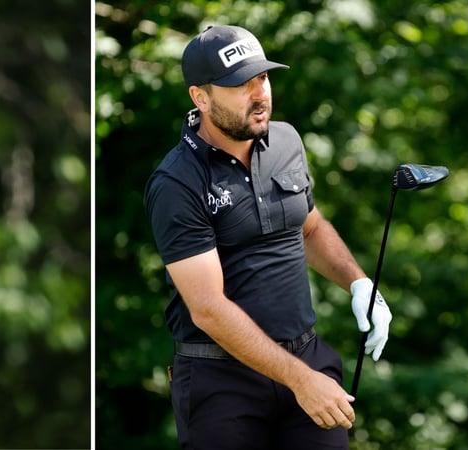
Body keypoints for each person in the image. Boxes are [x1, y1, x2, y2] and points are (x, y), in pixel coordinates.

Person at [144, 25, 392, 449]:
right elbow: (207, 309)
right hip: (222, 384)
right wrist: (302, 381)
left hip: (306, 358)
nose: (260, 94)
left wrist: (358, 282)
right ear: (200, 98)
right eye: (240, 84)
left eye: (262, 77)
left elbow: (309, 225)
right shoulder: (177, 181)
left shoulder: (286, 141)